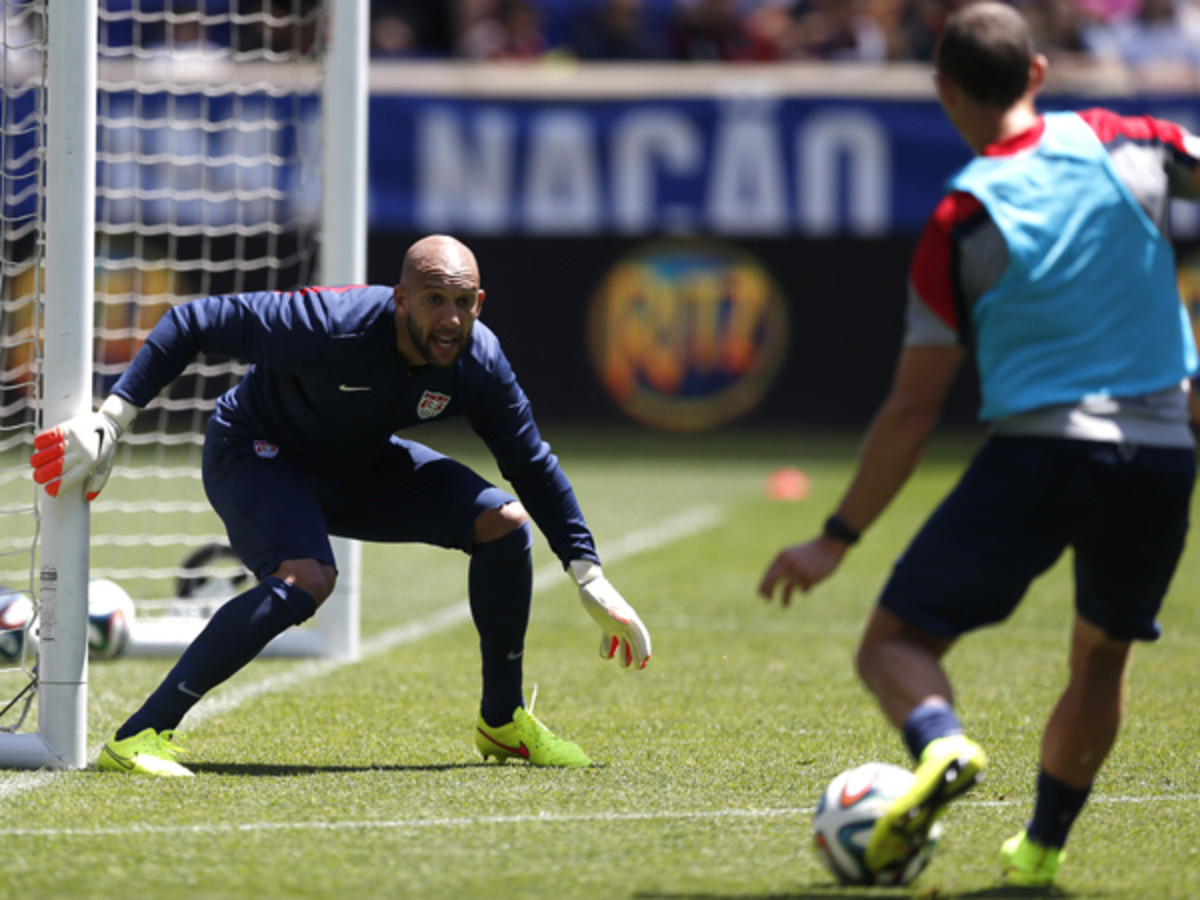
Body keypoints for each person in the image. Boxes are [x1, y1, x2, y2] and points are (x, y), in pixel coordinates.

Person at [758, 2, 1199, 888]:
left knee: (892, 645)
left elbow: (912, 411)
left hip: (1042, 453)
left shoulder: (961, 217)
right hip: (1159, 456)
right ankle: (1039, 851)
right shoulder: (1125, 140)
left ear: (943, 89)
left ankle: (942, 741)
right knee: (1101, 654)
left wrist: (834, 537)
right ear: (1037, 72)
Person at [31, 234, 652, 776]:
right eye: (435, 299)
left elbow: (531, 464)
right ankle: (141, 731)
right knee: (308, 577)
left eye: (464, 302)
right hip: (256, 451)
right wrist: (113, 417)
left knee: (503, 524)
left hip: (359, 464)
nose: (451, 318)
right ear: (400, 298)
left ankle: (503, 722)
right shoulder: (331, 324)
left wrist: (587, 571)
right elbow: (194, 321)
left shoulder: (478, 360)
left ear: (479, 304)